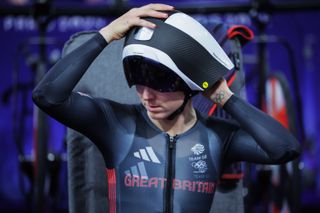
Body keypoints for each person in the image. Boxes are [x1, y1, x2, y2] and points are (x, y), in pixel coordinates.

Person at [32, 3, 300, 213]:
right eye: (138, 83)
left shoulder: (218, 137)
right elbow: (47, 97)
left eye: (159, 84)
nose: (146, 96)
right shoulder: (113, 123)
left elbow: (285, 149)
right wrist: (107, 34)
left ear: (190, 82)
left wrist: (224, 97)